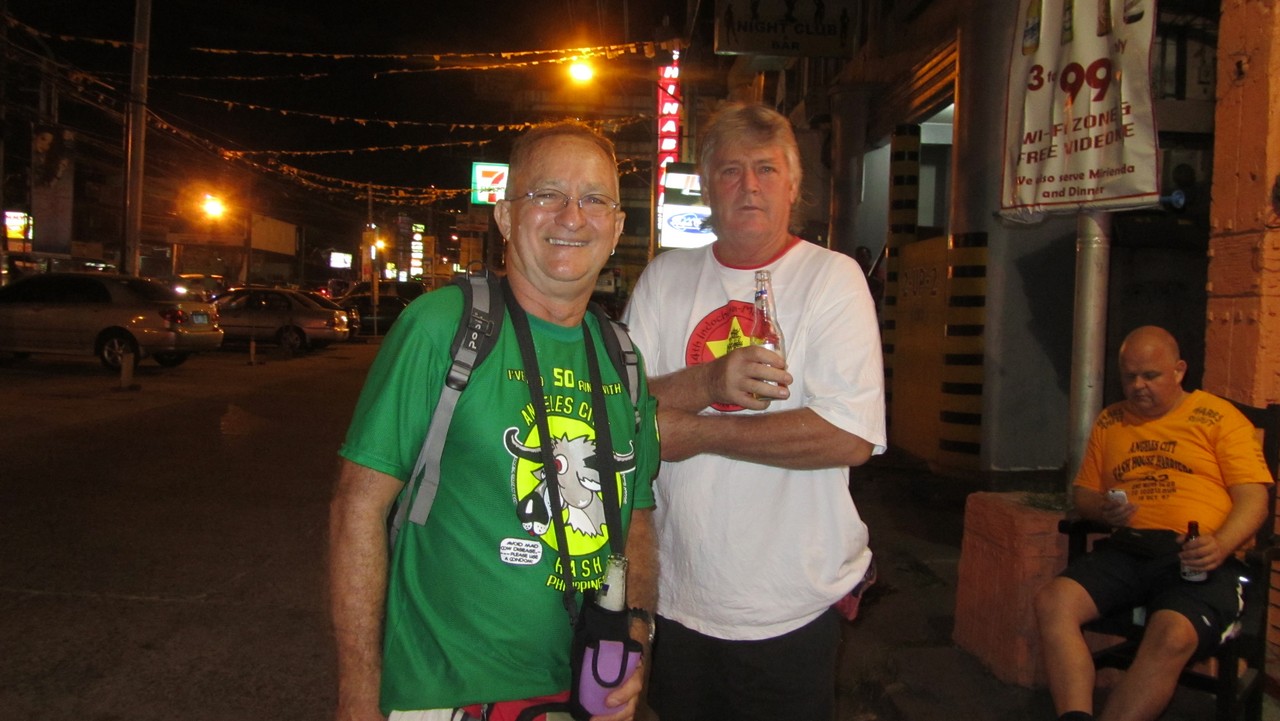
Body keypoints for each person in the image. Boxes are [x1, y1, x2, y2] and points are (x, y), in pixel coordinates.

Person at [330, 122, 660, 721]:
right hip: (447, 698)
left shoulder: (624, 358)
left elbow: (634, 522)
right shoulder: (441, 327)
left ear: (616, 228)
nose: (572, 216)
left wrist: (635, 643)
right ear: (506, 217)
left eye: (594, 200)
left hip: (582, 693)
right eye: (547, 194)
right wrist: (358, 688)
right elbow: (359, 506)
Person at [622, 102, 886, 721]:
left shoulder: (832, 279)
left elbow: (848, 436)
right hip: (679, 595)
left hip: (792, 602)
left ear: (793, 185)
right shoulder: (664, 278)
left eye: (766, 169)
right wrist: (711, 379)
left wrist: (696, 432)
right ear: (706, 186)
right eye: (730, 170)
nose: (749, 186)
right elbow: (619, 408)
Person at [1034, 325, 1273, 721]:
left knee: (1171, 635)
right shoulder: (1111, 421)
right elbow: (1084, 494)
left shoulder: (1217, 417)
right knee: (1053, 603)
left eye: (1150, 375)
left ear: (1179, 371)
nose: (1138, 386)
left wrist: (1221, 544)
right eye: (1130, 377)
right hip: (1129, 549)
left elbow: (1254, 498)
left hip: (1196, 555)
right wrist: (1102, 510)